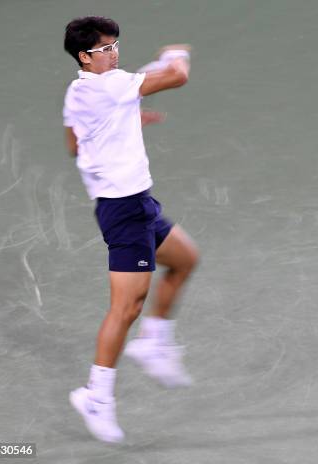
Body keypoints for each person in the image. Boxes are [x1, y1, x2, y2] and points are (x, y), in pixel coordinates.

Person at [62, 16, 198, 443]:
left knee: (184, 259)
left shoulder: (79, 91)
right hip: (123, 210)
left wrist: (120, 124)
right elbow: (176, 75)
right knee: (126, 308)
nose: (114, 52)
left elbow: (74, 144)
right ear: (84, 57)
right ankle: (96, 397)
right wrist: (177, 52)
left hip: (138, 203)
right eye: (104, 49)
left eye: (115, 45)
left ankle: (154, 342)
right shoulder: (108, 84)